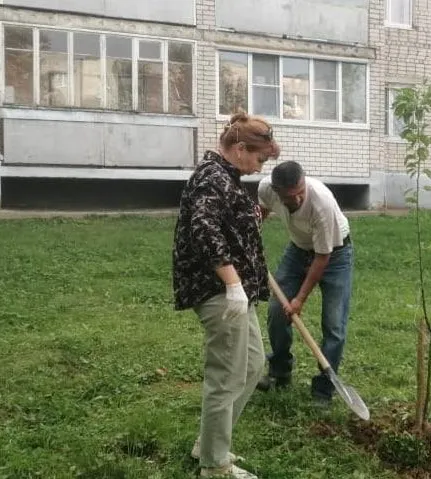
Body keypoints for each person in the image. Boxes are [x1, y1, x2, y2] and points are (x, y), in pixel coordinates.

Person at [172, 111, 280, 478]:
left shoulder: (227, 178)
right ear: (238, 148)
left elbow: (229, 225)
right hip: (219, 292)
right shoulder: (211, 178)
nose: (257, 166)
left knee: (251, 366)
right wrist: (233, 283)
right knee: (227, 375)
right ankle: (214, 466)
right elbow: (204, 229)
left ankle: (210, 441)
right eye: (258, 158)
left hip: (238, 292)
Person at [254, 160, 353, 408]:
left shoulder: (321, 203)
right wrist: (249, 236)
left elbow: (322, 258)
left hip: (335, 255)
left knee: (333, 324)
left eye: (300, 193)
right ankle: (280, 371)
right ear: (277, 191)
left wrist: (299, 299)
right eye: (290, 196)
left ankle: (324, 389)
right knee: (277, 310)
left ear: (304, 182)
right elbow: (262, 212)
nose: (297, 200)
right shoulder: (266, 189)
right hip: (298, 250)